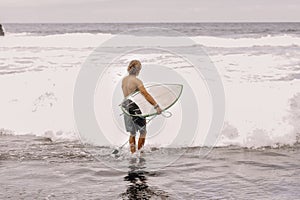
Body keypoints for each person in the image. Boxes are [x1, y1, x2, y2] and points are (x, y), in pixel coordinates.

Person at [122, 60, 162, 153]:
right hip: (134, 107)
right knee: (143, 132)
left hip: (125, 106)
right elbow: (145, 94)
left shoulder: (124, 80)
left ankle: (132, 153)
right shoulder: (137, 81)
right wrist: (156, 106)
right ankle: (140, 153)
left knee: (132, 133)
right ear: (138, 70)